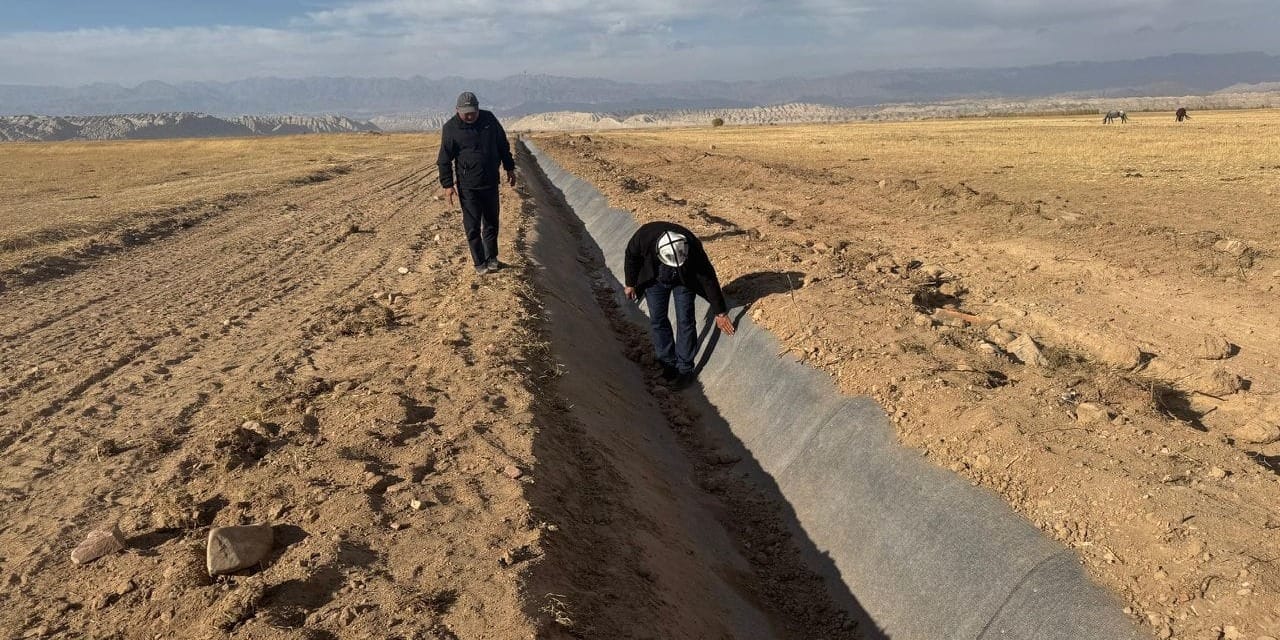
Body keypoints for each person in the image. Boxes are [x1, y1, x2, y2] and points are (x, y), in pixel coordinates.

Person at [624, 221, 735, 387]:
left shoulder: (691, 244)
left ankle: (684, 369)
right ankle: (667, 363)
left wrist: (720, 312)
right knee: (658, 320)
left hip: (684, 281)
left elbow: (707, 277)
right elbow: (631, 256)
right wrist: (630, 283)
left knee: (686, 320)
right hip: (655, 280)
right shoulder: (644, 236)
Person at [437, 91, 516, 275]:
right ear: (457, 111)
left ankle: (492, 258)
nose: (470, 115)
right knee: (472, 227)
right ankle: (479, 263)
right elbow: (444, 159)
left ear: (478, 108)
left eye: (473, 111)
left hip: (490, 182)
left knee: (491, 223)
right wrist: (448, 185)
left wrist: (509, 167)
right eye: (466, 113)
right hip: (468, 186)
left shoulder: (489, 120)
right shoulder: (451, 128)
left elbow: (502, 145)